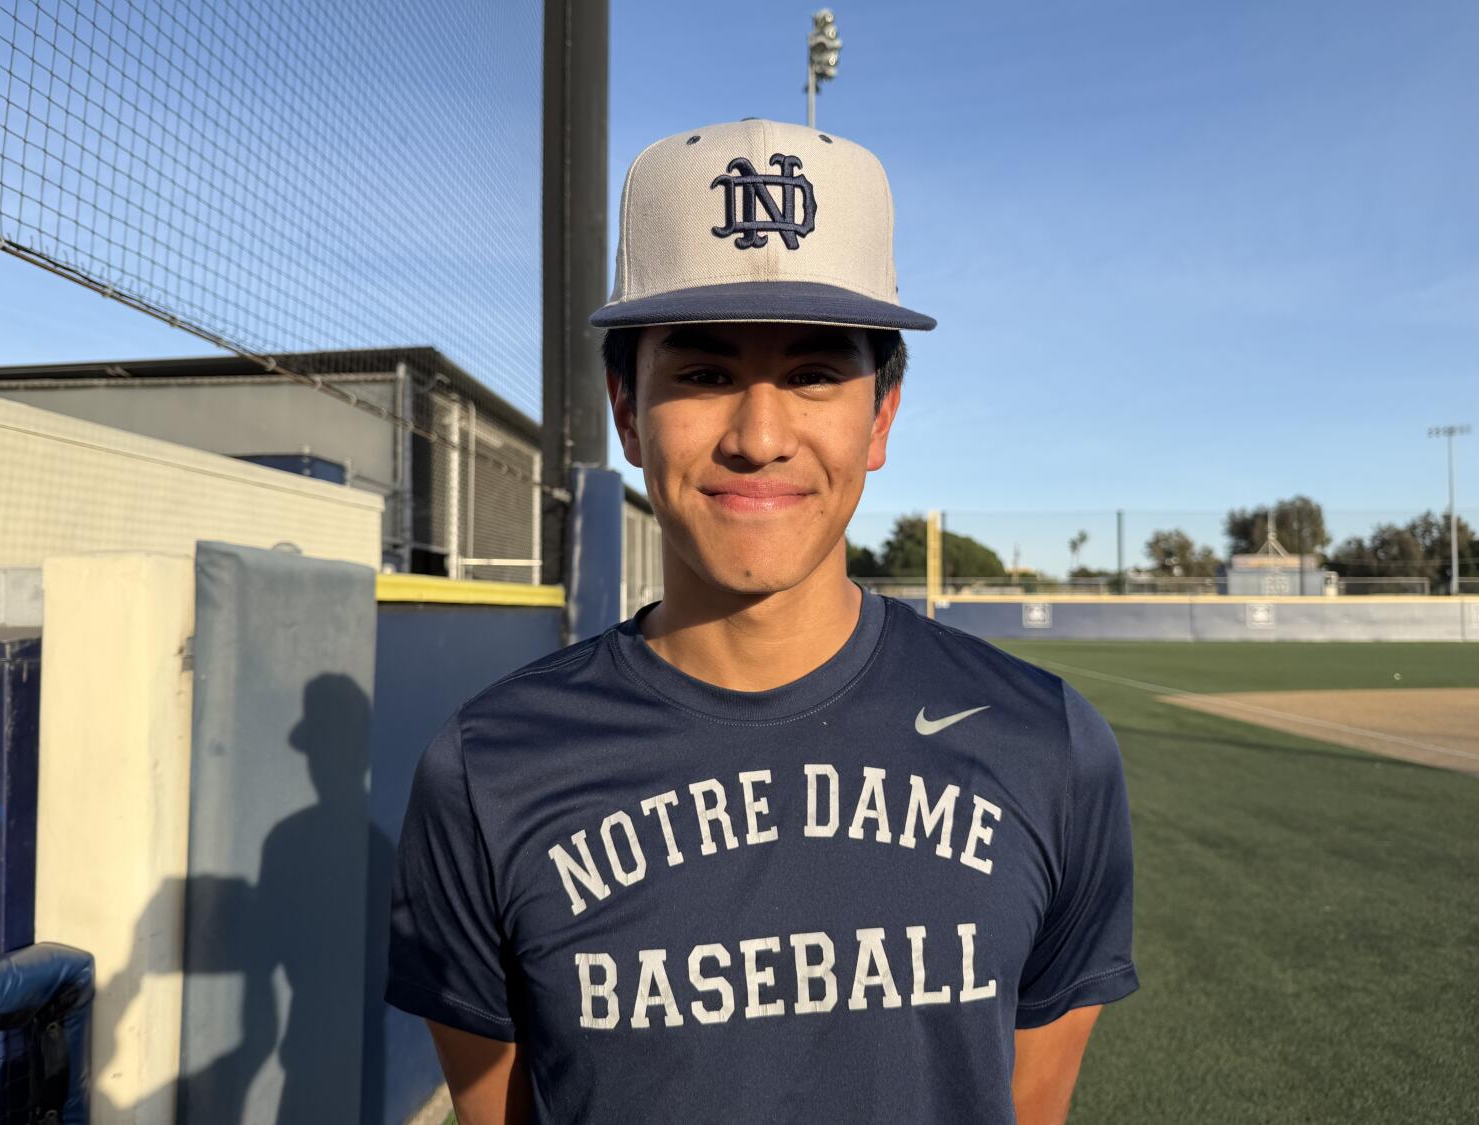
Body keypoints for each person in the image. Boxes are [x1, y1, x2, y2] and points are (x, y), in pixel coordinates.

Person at [386, 118, 1139, 1125]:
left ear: (881, 416)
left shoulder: (1047, 746)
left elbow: (1026, 1101)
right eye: (703, 375)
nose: (760, 435)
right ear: (626, 409)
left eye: (816, 373)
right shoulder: (489, 772)